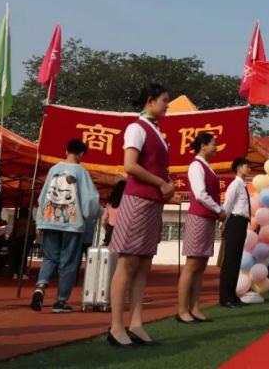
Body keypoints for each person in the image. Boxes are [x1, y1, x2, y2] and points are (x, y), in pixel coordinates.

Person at [108, 83, 174, 347]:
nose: (167, 105)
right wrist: (161, 183)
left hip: (153, 203)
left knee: (144, 265)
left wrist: (166, 186)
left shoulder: (157, 131)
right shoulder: (137, 128)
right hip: (137, 200)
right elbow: (130, 165)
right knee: (127, 263)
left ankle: (136, 323)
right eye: (164, 100)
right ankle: (116, 326)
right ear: (150, 101)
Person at [30, 139, 101, 313]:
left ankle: (40, 286)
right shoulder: (81, 172)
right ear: (81, 154)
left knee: (49, 257)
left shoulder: (53, 170)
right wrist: (97, 213)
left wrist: (40, 220)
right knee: (68, 262)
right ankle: (60, 301)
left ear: (66, 151)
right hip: (72, 224)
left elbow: (43, 197)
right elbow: (90, 201)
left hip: (49, 221)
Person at [176, 133, 226, 324]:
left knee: (201, 265)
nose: (216, 147)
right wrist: (219, 209)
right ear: (203, 146)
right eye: (213, 144)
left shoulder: (207, 166)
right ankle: (182, 310)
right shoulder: (196, 166)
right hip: (199, 217)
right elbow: (200, 194)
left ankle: (195, 307)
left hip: (207, 218)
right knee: (192, 264)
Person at [219, 157, 252, 307]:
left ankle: (232, 296)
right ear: (238, 168)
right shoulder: (235, 185)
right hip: (235, 222)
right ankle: (225, 298)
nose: (249, 169)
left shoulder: (243, 185)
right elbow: (227, 205)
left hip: (242, 223)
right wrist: (223, 225)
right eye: (247, 166)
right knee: (230, 261)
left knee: (236, 261)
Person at [101, 180, 126, 246]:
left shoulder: (110, 203)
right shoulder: (126, 204)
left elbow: (103, 220)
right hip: (122, 230)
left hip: (110, 230)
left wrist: (106, 229)